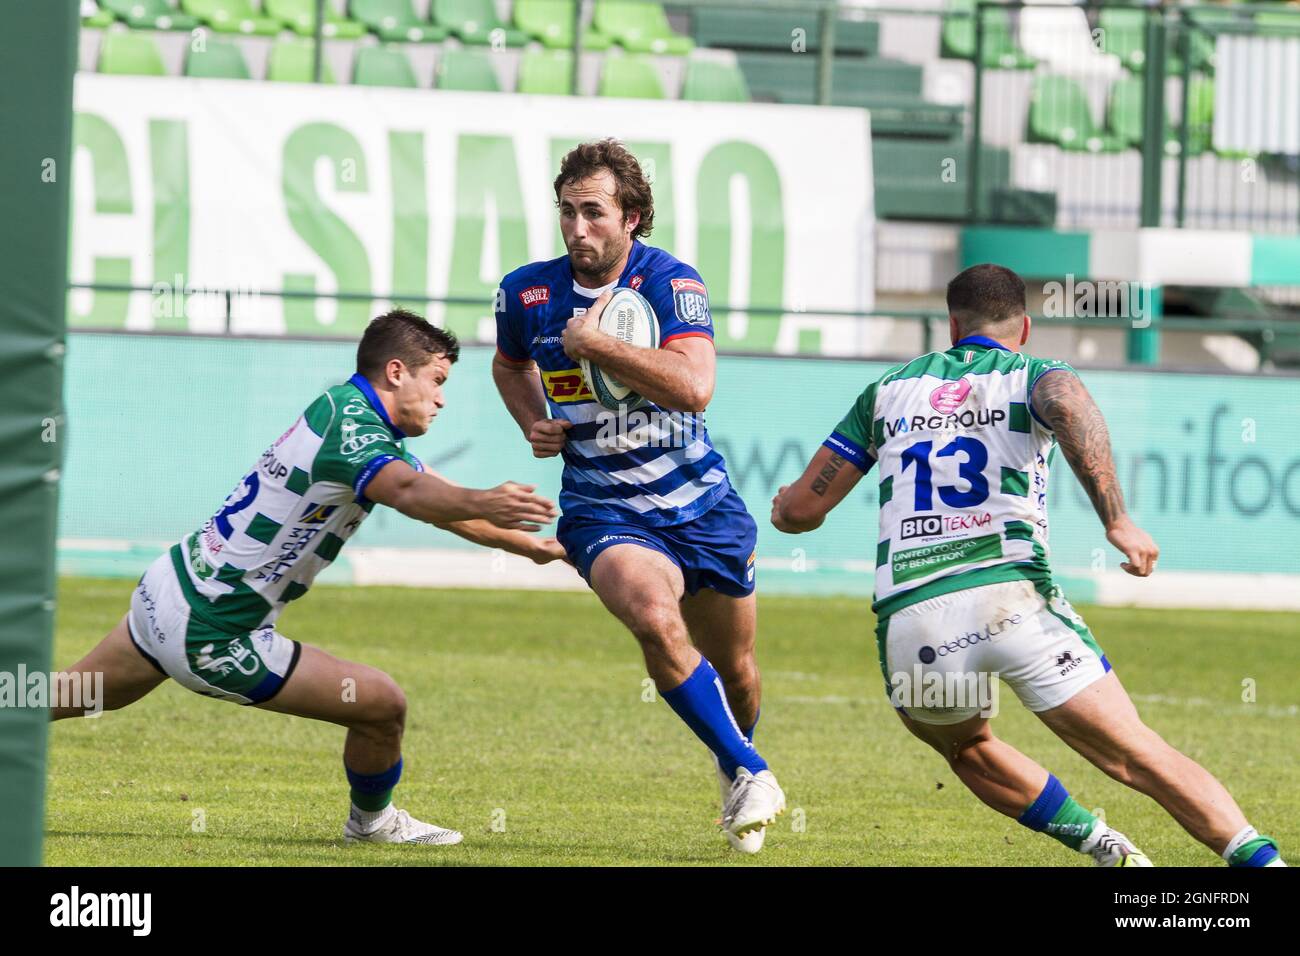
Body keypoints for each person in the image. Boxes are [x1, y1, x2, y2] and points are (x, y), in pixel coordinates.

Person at [770, 263, 1284, 867]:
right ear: (1026, 327)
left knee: (968, 750)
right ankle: (1261, 866)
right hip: (1011, 600)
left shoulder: (887, 390)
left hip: (916, 620)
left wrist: (787, 511)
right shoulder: (1034, 373)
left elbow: (802, 510)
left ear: (952, 323)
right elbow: (1069, 406)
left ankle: (1105, 848)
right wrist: (1116, 518)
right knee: (1135, 753)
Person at [53, 310, 566, 846]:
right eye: (437, 381)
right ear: (396, 372)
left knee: (69, 694)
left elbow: (427, 491)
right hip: (212, 631)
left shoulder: (344, 411)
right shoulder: (358, 437)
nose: (441, 399)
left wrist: (530, 546)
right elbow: (413, 496)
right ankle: (372, 824)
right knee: (381, 707)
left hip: (170, 586)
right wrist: (486, 500)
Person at [492, 139, 784, 852]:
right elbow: (509, 363)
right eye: (567, 212)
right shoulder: (527, 292)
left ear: (633, 216)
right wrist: (535, 417)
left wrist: (597, 346)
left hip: (702, 507)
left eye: (593, 212)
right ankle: (753, 772)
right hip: (603, 509)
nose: (577, 229)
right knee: (654, 617)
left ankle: (731, 761)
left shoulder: (671, 282)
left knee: (740, 677)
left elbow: (695, 385)